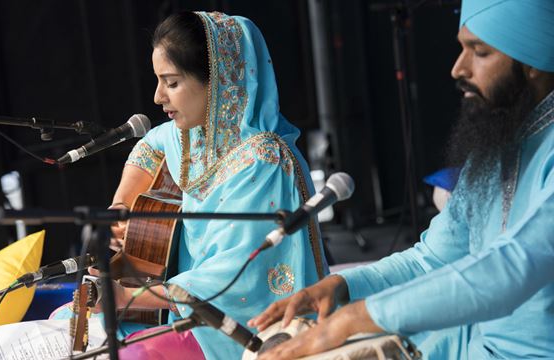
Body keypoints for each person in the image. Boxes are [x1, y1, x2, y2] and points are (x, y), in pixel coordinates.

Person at [248, 0, 554, 359]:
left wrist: (353, 320)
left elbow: (508, 270)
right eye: (462, 48)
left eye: (480, 52)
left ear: (532, 60)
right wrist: (344, 286)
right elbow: (431, 259)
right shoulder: (498, 148)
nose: (458, 68)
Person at [81, 11, 327, 360]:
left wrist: (126, 297)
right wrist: (122, 205)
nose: (157, 97)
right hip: (179, 308)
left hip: (237, 329)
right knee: (67, 322)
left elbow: (235, 280)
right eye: (157, 80)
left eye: (172, 82)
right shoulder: (191, 134)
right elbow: (150, 146)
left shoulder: (266, 160)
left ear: (219, 81)